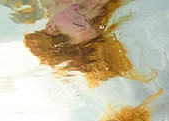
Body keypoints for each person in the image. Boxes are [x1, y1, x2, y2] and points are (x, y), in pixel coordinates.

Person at [22, 0, 153, 86]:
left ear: (50, 28)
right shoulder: (104, 13)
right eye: (90, 24)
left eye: (79, 21)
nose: (89, 17)